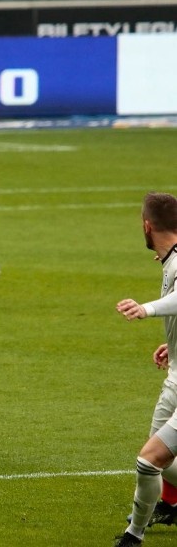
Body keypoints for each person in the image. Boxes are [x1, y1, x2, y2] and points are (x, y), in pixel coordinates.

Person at [114, 192, 177, 547]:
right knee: (161, 460)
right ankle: (170, 506)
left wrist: (147, 309)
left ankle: (132, 537)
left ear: (147, 225)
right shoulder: (169, 259)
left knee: (149, 459)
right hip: (175, 376)